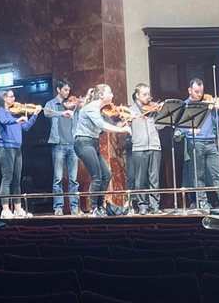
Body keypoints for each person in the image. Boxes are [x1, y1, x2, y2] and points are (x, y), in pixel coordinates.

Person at [177, 78, 219, 213]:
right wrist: (189, 130)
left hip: (211, 142)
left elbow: (217, 121)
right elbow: (179, 125)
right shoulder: (185, 106)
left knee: (217, 174)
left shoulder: (208, 104)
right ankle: (202, 202)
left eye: (201, 91)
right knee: (199, 175)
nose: (199, 94)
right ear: (189, 90)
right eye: (197, 91)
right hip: (195, 142)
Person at [73, 84, 131, 216]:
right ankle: (93, 208)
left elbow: (107, 125)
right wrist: (122, 130)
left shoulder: (100, 110)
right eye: (109, 93)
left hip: (93, 142)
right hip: (83, 142)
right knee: (97, 176)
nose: (112, 95)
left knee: (107, 175)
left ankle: (100, 206)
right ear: (101, 95)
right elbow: (102, 126)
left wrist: (123, 122)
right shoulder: (92, 108)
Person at [0, 90, 39, 218]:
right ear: (4, 98)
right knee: (7, 178)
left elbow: (25, 127)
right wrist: (17, 120)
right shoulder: (0, 111)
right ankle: (5, 209)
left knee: (16, 180)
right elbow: (4, 121)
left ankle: (18, 209)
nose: (14, 98)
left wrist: (34, 115)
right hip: (6, 148)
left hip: (17, 148)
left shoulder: (14, 113)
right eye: (11, 96)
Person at [44, 79, 80, 216]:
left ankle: (74, 207)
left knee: (73, 179)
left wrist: (79, 105)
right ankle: (58, 207)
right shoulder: (51, 104)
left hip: (72, 144)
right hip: (58, 144)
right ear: (58, 89)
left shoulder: (73, 105)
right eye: (65, 90)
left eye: (69, 90)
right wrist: (62, 113)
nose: (68, 92)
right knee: (57, 178)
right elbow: (47, 113)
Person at [126, 83, 161, 214]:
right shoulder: (130, 110)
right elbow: (121, 125)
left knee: (154, 178)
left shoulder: (153, 110)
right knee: (140, 179)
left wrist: (161, 114)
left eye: (148, 94)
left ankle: (155, 205)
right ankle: (142, 205)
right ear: (137, 95)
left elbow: (161, 126)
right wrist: (126, 120)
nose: (148, 97)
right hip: (139, 147)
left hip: (155, 146)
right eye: (144, 94)